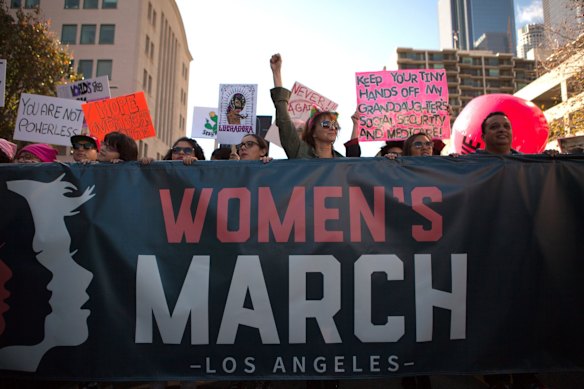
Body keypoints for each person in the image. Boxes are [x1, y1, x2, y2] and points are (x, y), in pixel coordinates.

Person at [270, 53, 359, 159]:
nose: (332, 128)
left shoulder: (341, 162)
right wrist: (277, 72)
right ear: (313, 132)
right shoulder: (299, 152)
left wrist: (356, 124)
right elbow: (284, 121)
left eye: (335, 125)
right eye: (326, 124)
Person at [141, 137, 205, 166]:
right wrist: (148, 166)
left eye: (187, 150)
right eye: (176, 150)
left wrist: (197, 165)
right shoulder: (161, 172)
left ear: (196, 155)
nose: (181, 153)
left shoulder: (203, 173)